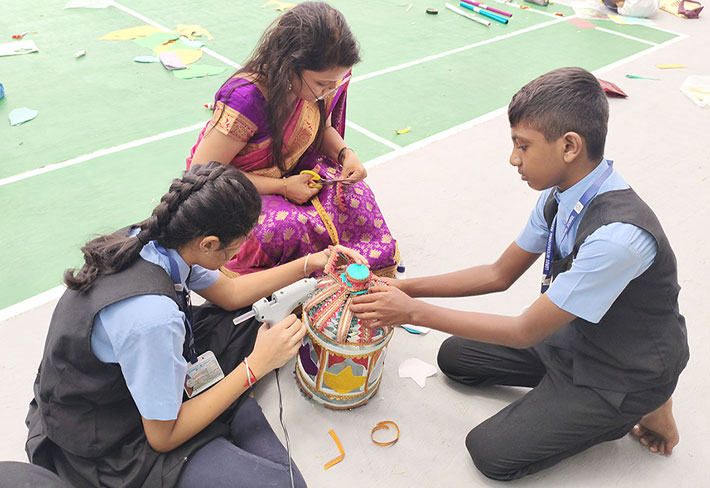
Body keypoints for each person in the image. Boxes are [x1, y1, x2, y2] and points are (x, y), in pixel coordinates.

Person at [350, 67, 689, 481]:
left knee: (489, 451)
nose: (514, 159)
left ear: (569, 146)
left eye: (522, 145)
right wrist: (405, 288)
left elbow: (525, 331)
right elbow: (498, 273)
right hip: (579, 335)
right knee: (455, 357)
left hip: (623, 370)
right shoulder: (560, 196)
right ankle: (564, 395)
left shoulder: (618, 237)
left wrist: (410, 312)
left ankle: (645, 404)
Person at [25, 163, 367, 488]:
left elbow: (231, 293)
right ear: (209, 244)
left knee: (257, 316)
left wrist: (310, 263)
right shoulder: (154, 319)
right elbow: (162, 437)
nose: (241, 250)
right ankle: (230, 404)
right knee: (283, 483)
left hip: (122, 380)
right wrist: (255, 367)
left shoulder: (158, 238)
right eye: (238, 244)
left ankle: (221, 400)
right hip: (107, 433)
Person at [187, 1, 399, 277]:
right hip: (234, 188)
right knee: (289, 228)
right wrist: (283, 187)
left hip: (293, 172)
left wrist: (346, 154)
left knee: (355, 197)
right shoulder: (247, 98)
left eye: (335, 82)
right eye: (322, 84)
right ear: (289, 66)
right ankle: (306, 284)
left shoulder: (323, 80)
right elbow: (204, 172)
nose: (329, 90)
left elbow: (320, 128)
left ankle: (354, 278)